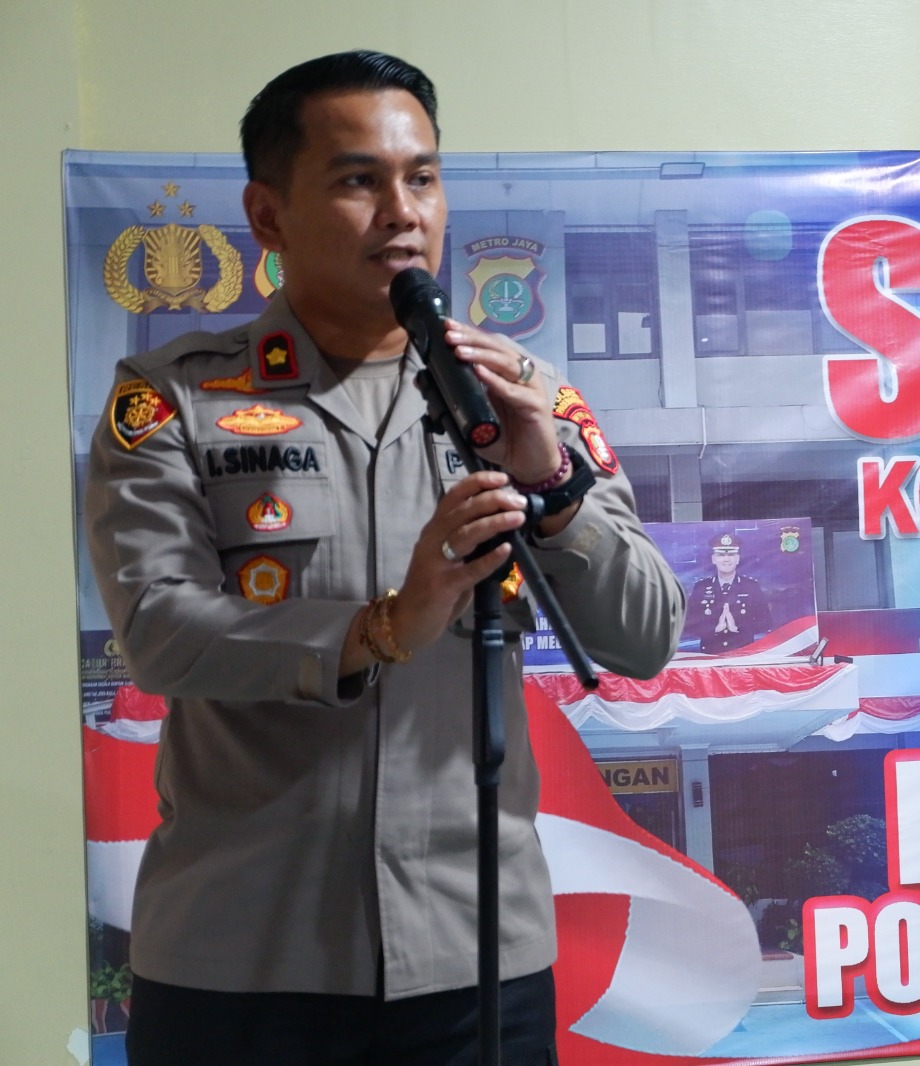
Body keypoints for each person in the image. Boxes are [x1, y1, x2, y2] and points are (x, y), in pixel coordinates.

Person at [85, 50, 684, 1065]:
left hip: (474, 958)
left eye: (423, 177)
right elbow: (159, 634)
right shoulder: (173, 398)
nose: (403, 213)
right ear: (268, 216)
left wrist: (552, 490)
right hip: (240, 963)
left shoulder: (522, 395)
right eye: (359, 180)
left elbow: (643, 637)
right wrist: (379, 628)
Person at [686, 531, 772, 654]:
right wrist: (714, 629)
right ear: (713, 559)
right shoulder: (701, 587)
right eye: (721, 555)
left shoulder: (751, 586)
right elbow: (689, 623)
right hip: (711, 654)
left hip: (743, 654)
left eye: (731, 554)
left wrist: (737, 628)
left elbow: (766, 622)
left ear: (737, 559)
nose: (726, 559)